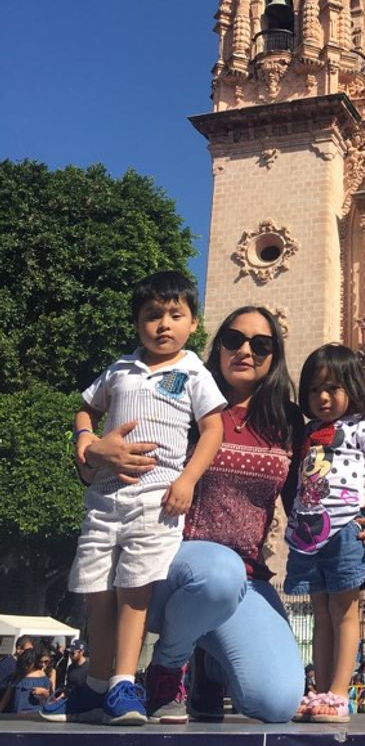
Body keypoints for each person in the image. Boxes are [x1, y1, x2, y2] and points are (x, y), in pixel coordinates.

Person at [48, 305, 350, 726]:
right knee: (217, 571)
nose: (245, 350)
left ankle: (207, 660)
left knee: (278, 701)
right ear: (217, 344)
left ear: (274, 355)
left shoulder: (288, 422)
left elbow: (308, 499)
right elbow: (102, 464)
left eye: (260, 344)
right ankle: (167, 668)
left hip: (243, 580)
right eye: (234, 339)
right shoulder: (179, 397)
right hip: (165, 567)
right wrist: (89, 450)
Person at [41, 272, 226, 727]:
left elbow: (213, 430)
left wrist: (187, 480)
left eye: (175, 315)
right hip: (103, 501)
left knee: (134, 593)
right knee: (97, 594)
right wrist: (87, 441)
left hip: (155, 500)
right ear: (137, 323)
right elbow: (85, 407)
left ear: (193, 322)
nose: (164, 324)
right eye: (152, 315)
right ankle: (97, 686)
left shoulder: (193, 372)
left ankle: (125, 680)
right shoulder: (120, 369)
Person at [284, 343, 365, 723]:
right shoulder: (308, 431)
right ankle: (321, 691)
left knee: (344, 610)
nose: (323, 397)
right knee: (320, 613)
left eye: (332, 388)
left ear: (353, 386)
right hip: (308, 532)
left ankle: (339, 693)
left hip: (347, 527)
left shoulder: (363, 426)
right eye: (315, 389)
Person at [0, 648, 52, 713]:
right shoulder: (18, 677)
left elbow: (6, 698)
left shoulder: (18, 677)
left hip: (29, 715)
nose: (26, 667)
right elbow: (6, 698)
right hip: (29, 715)